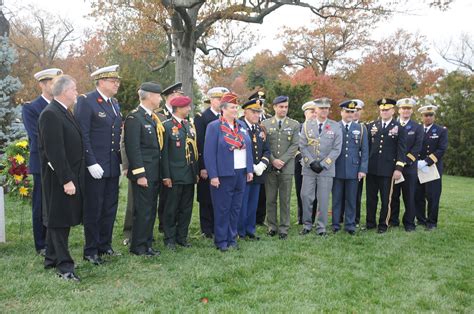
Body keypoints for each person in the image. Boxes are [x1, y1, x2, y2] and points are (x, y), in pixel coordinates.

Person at [74, 65, 122, 264]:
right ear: (101, 82)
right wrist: (90, 162)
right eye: (113, 81)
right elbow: (82, 134)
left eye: (117, 81)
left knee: (110, 207)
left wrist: (118, 162)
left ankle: (105, 245)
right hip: (94, 166)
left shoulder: (115, 103)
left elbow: (116, 135)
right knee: (94, 209)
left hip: (111, 165)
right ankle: (90, 250)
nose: (117, 84)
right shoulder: (87, 101)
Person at [38, 75, 84, 281]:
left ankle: (50, 258)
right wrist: (66, 179)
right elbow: (54, 152)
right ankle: (64, 267)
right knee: (59, 220)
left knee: (60, 216)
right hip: (58, 175)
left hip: (69, 173)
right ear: (64, 91)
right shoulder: (51, 114)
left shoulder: (64, 112)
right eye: (74, 89)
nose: (76, 92)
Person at [204, 92, 254, 252]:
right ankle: (221, 240)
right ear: (223, 109)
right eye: (232, 107)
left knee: (235, 208)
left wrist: (250, 169)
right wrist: (213, 175)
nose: (235, 110)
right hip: (223, 174)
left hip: (240, 173)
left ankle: (232, 238)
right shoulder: (214, 127)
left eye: (236, 107)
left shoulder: (241, 126)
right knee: (222, 208)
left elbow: (249, 148)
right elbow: (209, 153)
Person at [22, 68, 63, 256]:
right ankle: (41, 243)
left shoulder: (60, 105)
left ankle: (53, 239)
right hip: (41, 162)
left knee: (55, 202)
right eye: (52, 83)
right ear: (43, 84)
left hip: (59, 161)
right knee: (41, 203)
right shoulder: (31, 108)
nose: (55, 86)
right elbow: (37, 136)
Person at [124, 82, 164, 256]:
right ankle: (138, 246)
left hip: (154, 171)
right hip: (144, 173)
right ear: (148, 96)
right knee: (143, 210)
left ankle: (147, 243)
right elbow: (133, 148)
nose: (160, 98)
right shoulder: (135, 118)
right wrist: (139, 174)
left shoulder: (151, 117)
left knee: (150, 209)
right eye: (158, 95)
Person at [299, 98, 342, 236]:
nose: (324, 110)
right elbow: (303, 145)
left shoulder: (335, 126)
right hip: (309, 168)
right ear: (315, 110)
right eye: (321, 108)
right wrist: (310, 162)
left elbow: (337, 149)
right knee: (306, 196)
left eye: (326, 108)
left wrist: (323, 164)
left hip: (326, 169)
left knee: (323, 199)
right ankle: (307, 225)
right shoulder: (307, 125)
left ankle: (321, 227)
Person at [161, 95, 198, 250]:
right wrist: (166, 175)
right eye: (187, 107)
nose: (189, 109)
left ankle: (182, 237)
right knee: (171, 208)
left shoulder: (189, 126)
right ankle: (169, 238)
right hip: (174, 175)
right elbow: (164, 154)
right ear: (179, 108)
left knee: (186, 208)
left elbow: (194, 150)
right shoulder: (166, 126)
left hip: (189, 174)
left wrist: (195, 171)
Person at [261, 96, 300, 239]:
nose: (283, 109)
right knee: (270, 198)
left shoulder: (294, 124)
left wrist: (281, 161)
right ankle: (271, 225)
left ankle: (284, 227)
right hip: (270, 167)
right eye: (281, 106)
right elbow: (264, 145)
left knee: (285, 199)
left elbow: (295, 145)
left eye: (286, 107)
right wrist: (272, 160)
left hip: (287, 167)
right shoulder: (265, 123)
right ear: (274, 107)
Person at [366, 98, 406, 233]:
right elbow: (367, 148)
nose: (384, 112)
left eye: (386, 109)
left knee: (386, 200)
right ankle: (370, 223)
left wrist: (398, 168)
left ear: (393, 111)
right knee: (371, 198)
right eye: (382, 110)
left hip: (388, 170)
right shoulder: (371, 126)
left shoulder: (399, 128)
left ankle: (383, 224)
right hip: (372, 169)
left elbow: (402, 151)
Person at [194, 86, 229, 238]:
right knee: (206, 196)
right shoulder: (202, 117)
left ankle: (218, 225)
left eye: (222, 99)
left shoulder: (226, 117)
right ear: (211, 101)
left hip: (222, 164)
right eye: (217, 99)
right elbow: (200, 143)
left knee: (219, 195)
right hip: (207, 163)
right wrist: (202, 166)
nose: (220, 102)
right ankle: (206, 228)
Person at [331, 100, 368, 235]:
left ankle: (350, 225)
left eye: (353, 112)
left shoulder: (361, 128)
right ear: (341, 112)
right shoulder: (335, 126)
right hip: (337, 167)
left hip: (354, 169)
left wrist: (363, 169)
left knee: (351, 199)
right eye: (347, 111)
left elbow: (365, 151)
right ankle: (335, 224)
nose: (350, 114)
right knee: (336, 198)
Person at [237, 97, 271, 240]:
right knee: (242, 204)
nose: (257, 115)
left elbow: (267, 149)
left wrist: (262, 164)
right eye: (254, 112)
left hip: (258, 172)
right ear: (245, 112)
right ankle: (240, 231)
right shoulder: (238, 127)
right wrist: (251, 166)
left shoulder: (260, 128)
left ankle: (250, 230)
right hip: (244, 172)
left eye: (259, 112)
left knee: (252, 204)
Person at [389, 98, 423, 231]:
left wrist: (402, 163)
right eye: (403, 108)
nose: (406, 111)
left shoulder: (417, 127)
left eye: (408, 108)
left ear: (412, 110)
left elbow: (417, 148)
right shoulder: (392, 125)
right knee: (393, 196)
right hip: (392, 168)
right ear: (399, 110)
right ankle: (393, 220)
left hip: (408, 168)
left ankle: (409, 223)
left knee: (409, 196)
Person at [157, 82, 185, 232]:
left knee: (176, 198)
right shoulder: (158, 114)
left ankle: (173, 224)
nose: (180, 98)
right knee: (164, 197)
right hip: (161, 162)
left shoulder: (184, 116)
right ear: (171, 97)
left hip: (178, 164)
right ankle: (164, 225)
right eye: (178, 96)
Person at [415, 105, 448, 230]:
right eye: (425, 115)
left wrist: (427, 162)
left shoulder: (441, 130)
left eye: (430, 115)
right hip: (417, 167)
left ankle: (432, 222)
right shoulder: (417, 129)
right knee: (418, 195)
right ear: (422, 116)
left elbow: (442, 149)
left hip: (432, 168)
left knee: (432, 196)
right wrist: (416, 161)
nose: (428, 117)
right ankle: (421, 219)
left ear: (434, 116)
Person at [247, 90, 271, 226]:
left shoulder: (267, 121)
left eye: (261, 105)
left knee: (262, 194)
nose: (259, 108)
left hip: (263, 164)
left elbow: (268, 146)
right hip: (248, 167)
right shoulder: (241, 123)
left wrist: (263, 164)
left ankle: (259, 219)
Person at [295, 101, 318, 225]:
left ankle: (312, 217)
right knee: (300, 191)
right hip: (300, 163)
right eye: (311, 111)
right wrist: (303, 158)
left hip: (315, 165)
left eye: (316, 111)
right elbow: (295, 145)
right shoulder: (298, 127)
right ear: (305, 113)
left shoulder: (320, 128)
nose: (314, 114)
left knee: (314, 193)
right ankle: (301, 217)